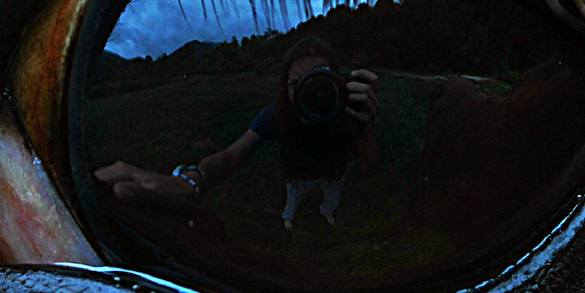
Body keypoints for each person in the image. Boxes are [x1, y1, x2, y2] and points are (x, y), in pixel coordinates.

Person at [94, 36, 380, 228]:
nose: (311, 93)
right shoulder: (276, 115)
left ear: (340, 82)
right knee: (293, 205)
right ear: (285, 87)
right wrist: (191, 182)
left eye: (320, 81)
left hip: (333, 176)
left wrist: (364, 129)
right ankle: (292, 222)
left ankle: (328, 215)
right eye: (298, 84)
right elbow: (231, 156)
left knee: (330, 202)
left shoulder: (347, 114)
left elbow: (370, 168)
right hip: (296, 178)